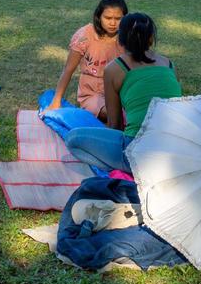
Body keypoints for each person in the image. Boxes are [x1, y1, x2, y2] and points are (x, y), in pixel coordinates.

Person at [64, 13, 181, 174]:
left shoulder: (114, 69)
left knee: (72, 139)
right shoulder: (168, 65)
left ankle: (125, 170)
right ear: (151, 39)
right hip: (176, 149)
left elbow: (115, 124)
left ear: (120, 40)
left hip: (139, 152)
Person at [47, 0, 127, 117]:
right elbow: (68, 69)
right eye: (107, 18)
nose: (112, 23)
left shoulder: (127, 37)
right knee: (115, 114)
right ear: (98, 16)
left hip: (120, 92)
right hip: (92, 94)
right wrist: (56, 100)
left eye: (118, 19)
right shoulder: (84, 36)